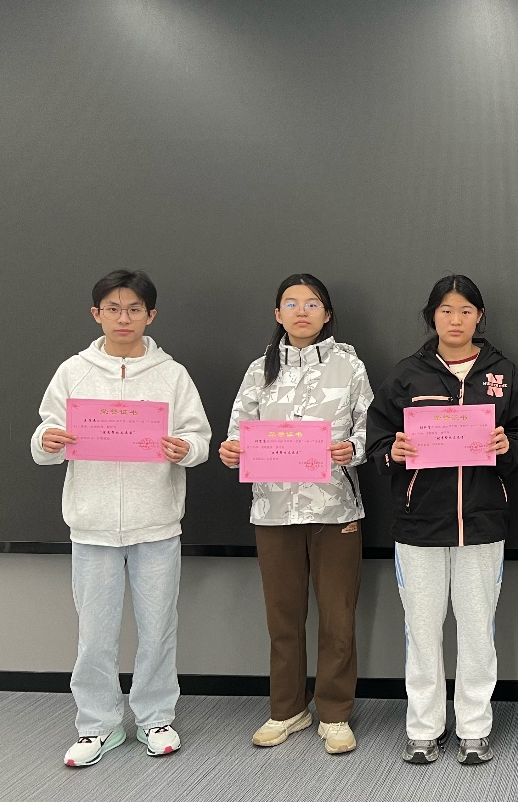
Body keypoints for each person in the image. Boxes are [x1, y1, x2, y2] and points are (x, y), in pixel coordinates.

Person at [31, 270, 211, 767]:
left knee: (158, 628)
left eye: (134, 309)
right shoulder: (74, 371)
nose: (123, 317)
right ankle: (98, 725)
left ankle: (156, 718)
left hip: (156, 522)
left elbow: (199, 438)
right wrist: (47, 441)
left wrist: (186, 449)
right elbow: (45, 435)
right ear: (97, 314)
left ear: (151, 315)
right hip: (91, 525)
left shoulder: (171, 374)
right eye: (113, 308)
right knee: (94, 633)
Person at [365, 274, 518, 766]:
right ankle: (423, 728)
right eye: (446, 310)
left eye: (465, 310)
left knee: (477, 630)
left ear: (479, 316)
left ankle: (473, 728)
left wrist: (508, 446)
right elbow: (376, 439)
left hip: (481, 524)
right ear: (432, 317)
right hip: (418, 525)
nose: (456, 319)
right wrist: (393, 451)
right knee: (422, 631)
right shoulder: (407, 374)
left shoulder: (502, 372)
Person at [218, 274, 373, 755]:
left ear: (327, 314)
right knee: (282, 617)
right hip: (273, 510)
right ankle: (287, 709)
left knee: (337, 617)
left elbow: (369, 430)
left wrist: (354, 449)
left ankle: (335, 713)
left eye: (311, 303)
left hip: (335, 508)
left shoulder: (350, 366)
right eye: (291, 303)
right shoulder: (258, 370)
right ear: (277, 314)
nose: (301, 311)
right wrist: (231, 450)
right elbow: (239, 433)